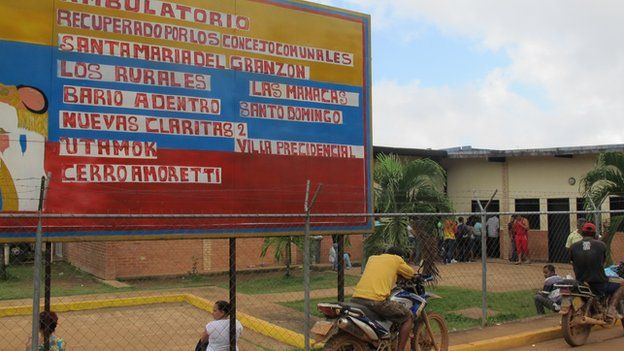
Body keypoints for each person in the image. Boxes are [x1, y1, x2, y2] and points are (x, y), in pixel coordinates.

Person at [351, 247, 415, 351]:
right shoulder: (396, 259)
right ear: (400, 257)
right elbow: (410, 273)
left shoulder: (372, 258)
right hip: (376, 301)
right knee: (407, 317)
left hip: (356, 299)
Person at [570, 223, 624, 322]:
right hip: (598, 282)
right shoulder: (601, 245)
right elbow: (602, 263)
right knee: (622, 284)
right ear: (595, 234)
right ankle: (611, 309)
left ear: (582, 233)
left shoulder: (573, 247)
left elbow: (572, 263)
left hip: (581, 281)